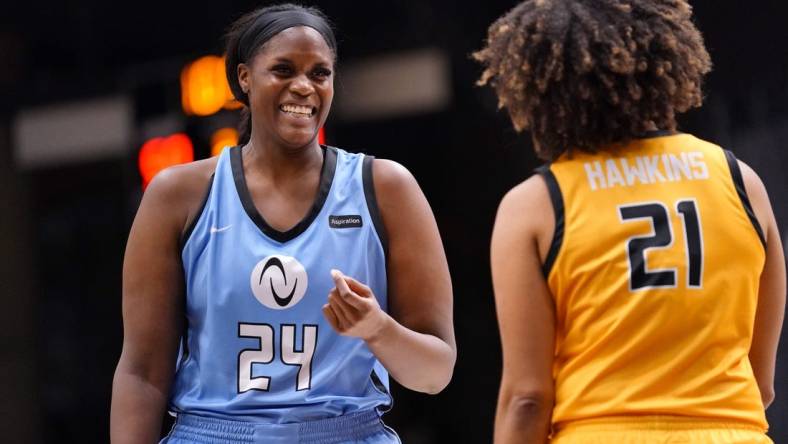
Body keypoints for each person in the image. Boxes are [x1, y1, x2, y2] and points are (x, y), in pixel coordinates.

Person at [110, 4, 456, 443]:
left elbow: (435, 373)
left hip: (347, 432)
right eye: (283, 69)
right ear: (243, 78)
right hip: (213, 432)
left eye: (319, 73)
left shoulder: (385, 187)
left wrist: (377, 329)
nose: (303, 87)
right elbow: (142, 373)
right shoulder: (177, 195)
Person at [475, 1, 785, 443]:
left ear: (544, 88)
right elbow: (762, 383)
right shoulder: (741, 181)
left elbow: (528, 398)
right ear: (665, 62)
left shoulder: (536, 204)